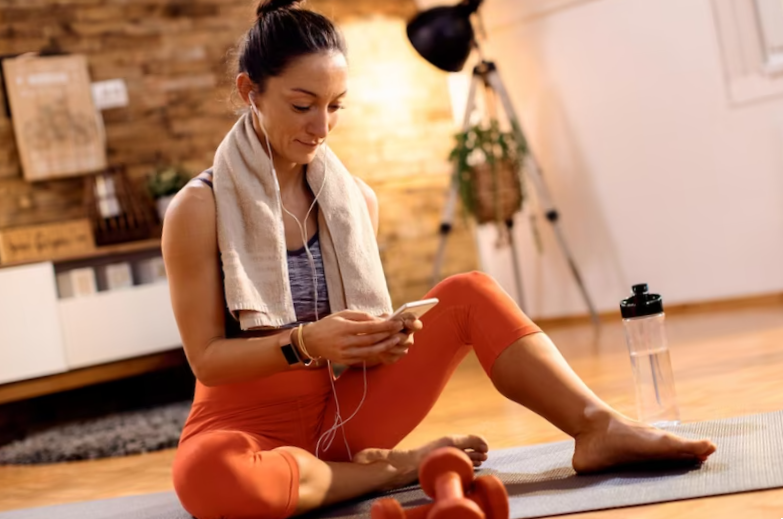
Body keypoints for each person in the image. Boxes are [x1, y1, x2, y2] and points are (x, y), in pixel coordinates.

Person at [161, 1, 716, 518]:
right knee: (209, 478)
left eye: (335, 107)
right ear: (250, 91)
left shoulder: (354, 200)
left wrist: (382, 338)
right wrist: (305, 343)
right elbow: (207, 359)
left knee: (469, 291)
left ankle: (599, 429)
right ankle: (388, 471)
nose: (322, 127)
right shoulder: (199, 207)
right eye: (302, 105)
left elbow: (350, 340)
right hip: (244, 428)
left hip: (343, 416)